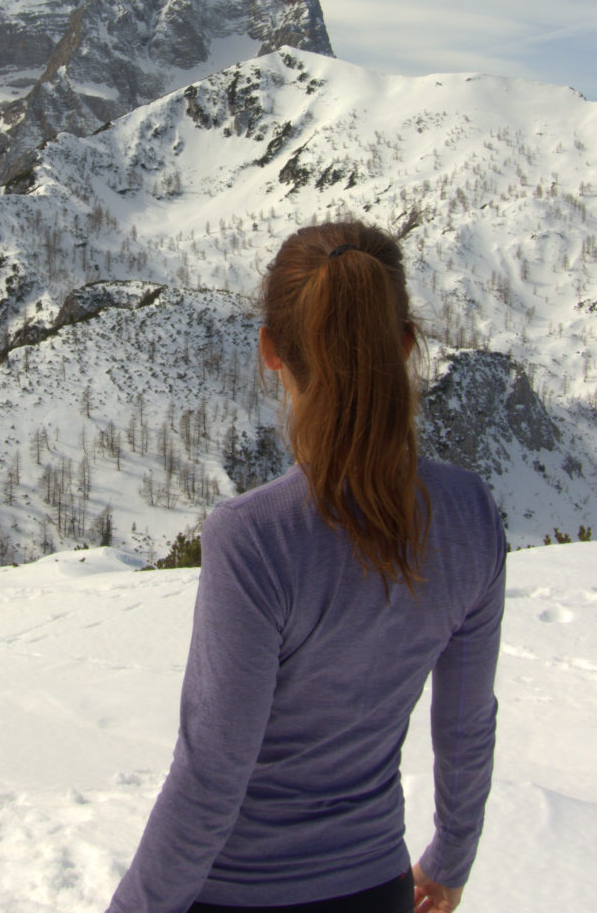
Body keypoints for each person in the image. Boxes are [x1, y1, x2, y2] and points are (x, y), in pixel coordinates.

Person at [107, 221, 506, 913]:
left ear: (269, 351)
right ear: (406, 345)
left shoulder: (254, 536)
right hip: (378, 886)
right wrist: (451, 858)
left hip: (237, 895)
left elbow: (212, 772)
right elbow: (465, 724)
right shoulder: (470, 514)